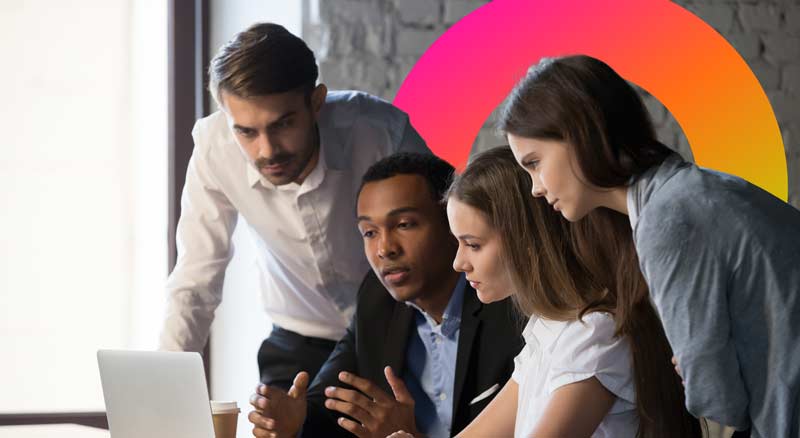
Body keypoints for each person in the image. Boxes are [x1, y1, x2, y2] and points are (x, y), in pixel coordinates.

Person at [499, 55, 800, 438]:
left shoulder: (667, 218)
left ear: (579, 135)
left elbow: (718, 400)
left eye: (535, 163)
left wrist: (696, 372)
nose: (535, 188)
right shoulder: (683, 193)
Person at [158, 22, 431, 389]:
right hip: (298, 340)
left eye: (283, 124)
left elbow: (447, 234)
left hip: (404, 329)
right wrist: (165, 392)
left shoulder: (381, 132)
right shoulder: (215, 150)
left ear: (316, 102)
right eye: (246, 132)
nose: (267, 150)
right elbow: (195, 281)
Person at [248, 153, 523, 438]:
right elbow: (328, 403)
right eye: (369, 232)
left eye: (404, 225)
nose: (384, 249)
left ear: (452, 223)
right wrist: (296, 420)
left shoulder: (510, 306)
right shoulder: (378, 298)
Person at [436, 146, 701, 438]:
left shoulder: (593, 333)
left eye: (473, 245)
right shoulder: (550, 325)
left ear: (528, 240)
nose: (458, 263)